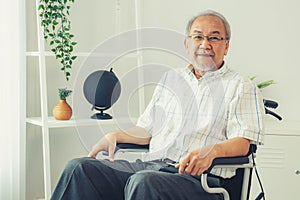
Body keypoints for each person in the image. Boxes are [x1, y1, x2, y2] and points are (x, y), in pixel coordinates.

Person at [51, 10, 265, 200]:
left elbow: (244, 142)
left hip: (202, 181)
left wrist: (212, 151)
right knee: (79, 168)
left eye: (214, 38)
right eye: (198, 37)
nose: (205, 44)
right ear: (187, 43)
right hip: (152, 167)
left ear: (226, 46)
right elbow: (147, 130)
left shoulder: (241, 86)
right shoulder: (171, 79)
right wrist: (115, 136)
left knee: (143, 182)